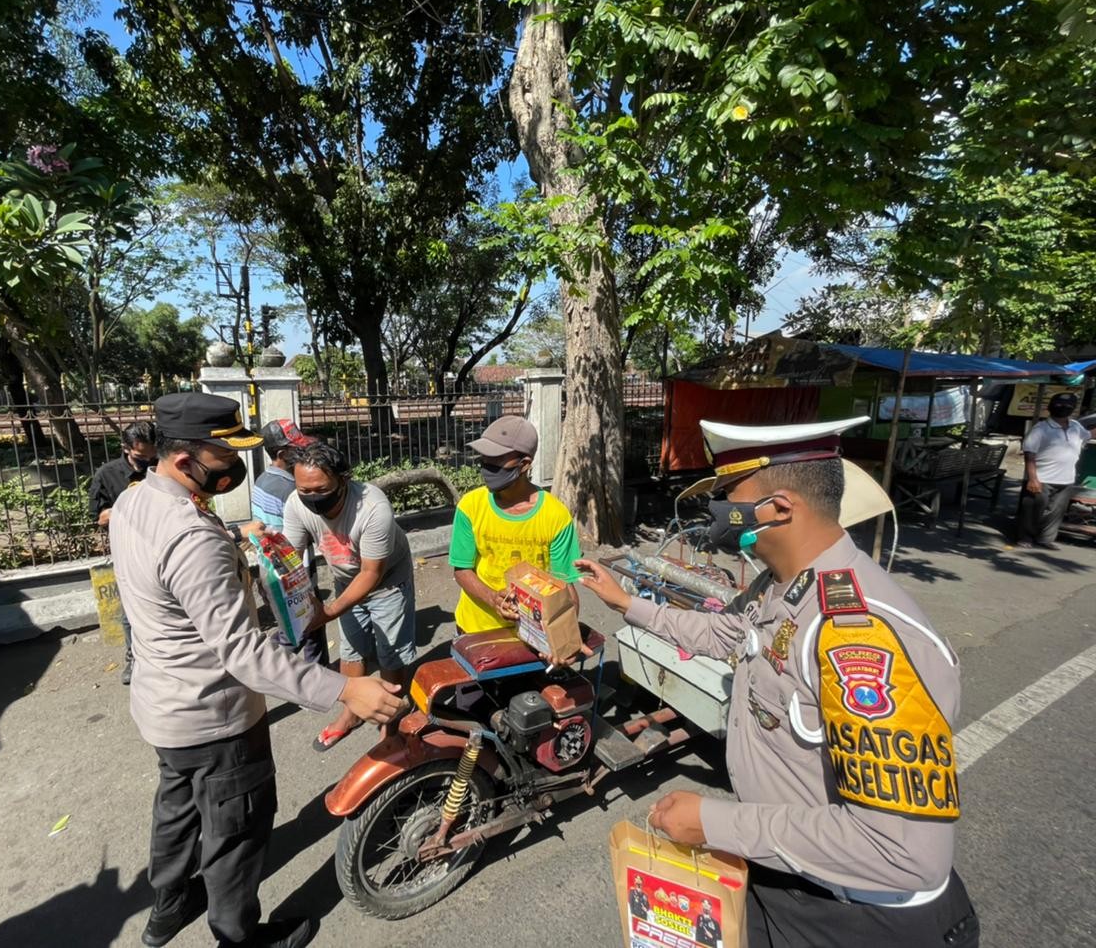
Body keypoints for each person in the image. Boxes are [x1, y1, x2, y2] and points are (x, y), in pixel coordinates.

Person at [577, 417, 979, 948]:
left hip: (854, 918)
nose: (715, 513)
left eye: (725, 496)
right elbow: (726, 633)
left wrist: (718, 824)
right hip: (791, 879)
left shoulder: (859, 637)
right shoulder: (783, 584)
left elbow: (900, 852)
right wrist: (627, 604)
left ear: (780, 508)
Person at [109, 393, 402, 948]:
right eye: (223, 456)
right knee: (236, 830)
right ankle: (238, 937)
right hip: (212, 712)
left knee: (178, 810)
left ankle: (169, 908)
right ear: (182, 457)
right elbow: (243, 653)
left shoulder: (136, 502)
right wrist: (344, 688)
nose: (236, 467)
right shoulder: (192, 537)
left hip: (163, 705)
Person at [282, 441, 416, 751]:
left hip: (387, 581)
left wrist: (328, 612)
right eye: (305, 491)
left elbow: (371, 573)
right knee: (352, 647)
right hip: (344, 579)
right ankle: (352, 712)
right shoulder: (295, 503)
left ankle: (391, 719)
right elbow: (292, 557)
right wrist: (289, 598)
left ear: (344, 479)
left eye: (321, 489)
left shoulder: (372, 508)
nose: (312, 498)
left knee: (391, 652)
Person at [449, 415, 582, 633]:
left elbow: (564, 584)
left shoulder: (555, 516)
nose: (486, 467)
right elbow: (462, 570)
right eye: (484, 459)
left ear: (524, 465)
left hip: (532, 634)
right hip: (475, 628)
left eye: (495, 460)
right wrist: (493, 599)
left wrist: (563, 635)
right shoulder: (470, 506)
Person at [250, 418, 328, 665]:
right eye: (297, 449)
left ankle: (320, 673)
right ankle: (264, 666)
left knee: (306, 626)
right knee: (300, 629)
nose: (303, 452)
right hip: (294, 573)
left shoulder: (263, 480)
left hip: (270, 569)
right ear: (282, 453)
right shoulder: (290, 489)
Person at [88, 420, 157, 684]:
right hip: (130, 550)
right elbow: (100, 517)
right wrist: (132, 505)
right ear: (126, 449)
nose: (148, 463)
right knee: (130, 610)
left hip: (162, 545)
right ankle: (133, 656)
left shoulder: (161, 465)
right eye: (141, 458)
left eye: (153, 456)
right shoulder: (108, 474)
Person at [1016, 391, 1092, 548]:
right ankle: (1026, 537)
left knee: (1056, 512)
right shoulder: (1041, 429)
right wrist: (1032, 479)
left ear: (1073, 409)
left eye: (1068, 405)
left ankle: (1046, 539)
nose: (1063, 407)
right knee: (1033, 510)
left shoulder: (1075, 426)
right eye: (1059, 404)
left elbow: (1088, 435)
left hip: (1066, 479)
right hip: (1041, 478)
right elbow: (1029, 455)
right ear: (1050, 407)